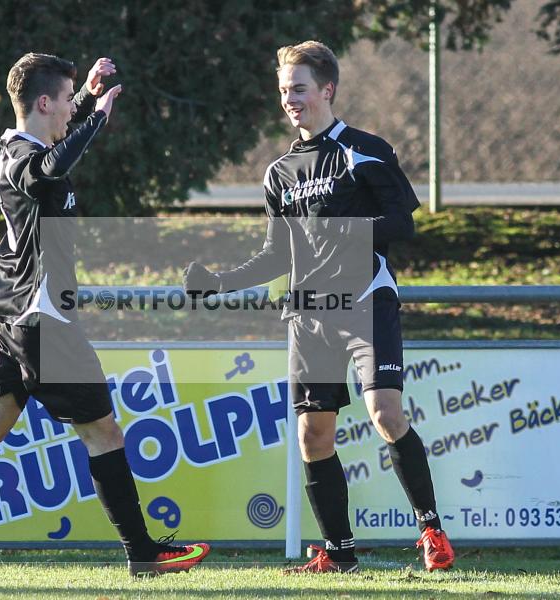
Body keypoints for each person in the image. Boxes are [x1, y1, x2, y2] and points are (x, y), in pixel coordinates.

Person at [0, 52, 209, 577]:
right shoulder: (22, 156)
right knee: (105, 435)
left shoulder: (29, 147)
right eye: (66, 100)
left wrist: (87, 99)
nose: (73, 108)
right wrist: (96, 115)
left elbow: (55, 158)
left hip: (21, 314)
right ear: (44, 102)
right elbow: (51, 166)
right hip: (44, 318)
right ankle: (142, 553)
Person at [183, 41, 453, 573]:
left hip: (365, 304)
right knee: (314, 434)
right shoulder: (279, 173)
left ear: (327, 89)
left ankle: (431, 531)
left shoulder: (366, 150)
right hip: (308, 314)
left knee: (386, 413)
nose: (290, 99)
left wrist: (344, 235)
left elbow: (403, 225)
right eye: (284, 90)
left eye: (299, 89)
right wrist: (218, 282)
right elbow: (276, 255)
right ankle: (339, 553)